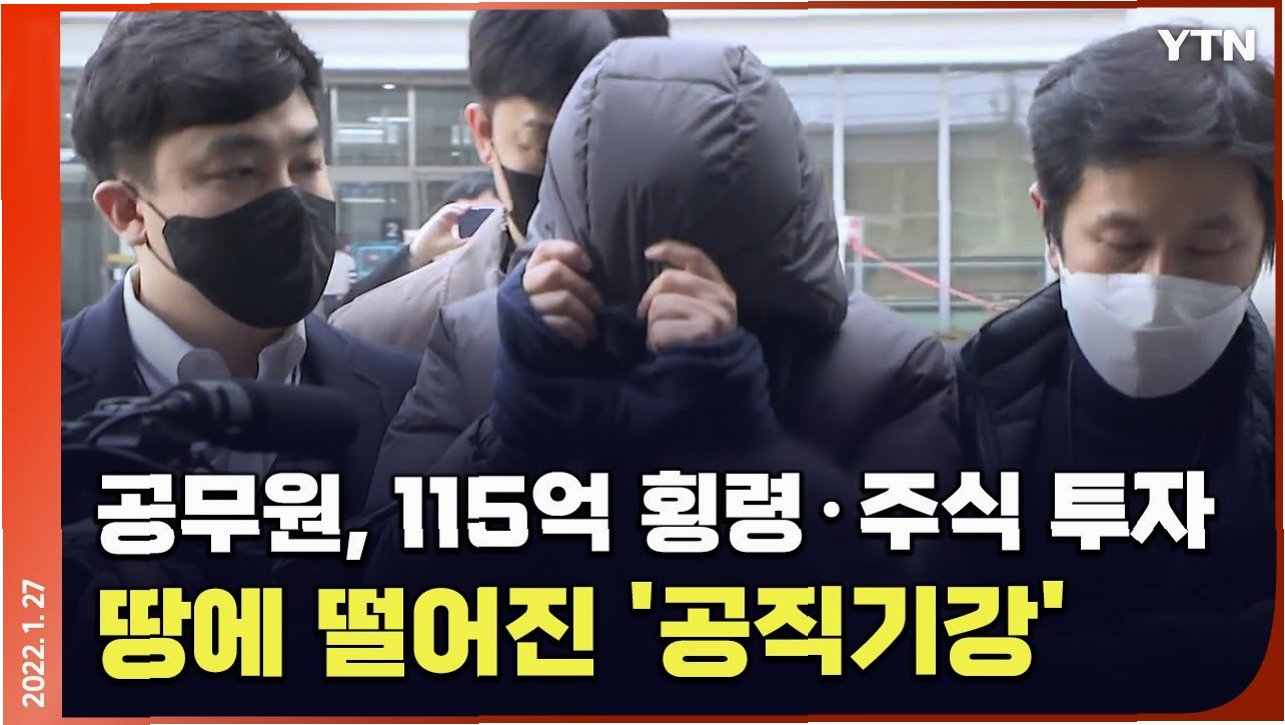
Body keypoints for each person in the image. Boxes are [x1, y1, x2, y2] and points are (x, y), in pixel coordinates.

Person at [362, 37, 959, 716]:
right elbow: (375, 604)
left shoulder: (886, 369)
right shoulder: (486, 343)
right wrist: (515, 434)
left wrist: (744, 450)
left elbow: (926, 632)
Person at [951, 25, 1275, 711]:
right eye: (1122, 243)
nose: (1158, 285)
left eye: (1208, 248)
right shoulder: (948, 410)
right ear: (1050, 223)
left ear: (1265, 239)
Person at [62, 10, 418, 525]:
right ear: (128, 211)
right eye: (238, 171)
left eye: (307, 165)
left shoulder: (409, 397)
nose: (290, 199)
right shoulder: (22, 404)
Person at [328, 9, 670, 355]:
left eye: (621, 147)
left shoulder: (699, 321)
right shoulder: (378, 339)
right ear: (484, 134)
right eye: (547, 147)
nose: (590, 178)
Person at [334, 170, 498, 308]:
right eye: (469, 218)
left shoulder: (513, 273)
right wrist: (415, 254)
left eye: (491, 216)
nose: (481, 227)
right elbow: (351, 314)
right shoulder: (436, 277)